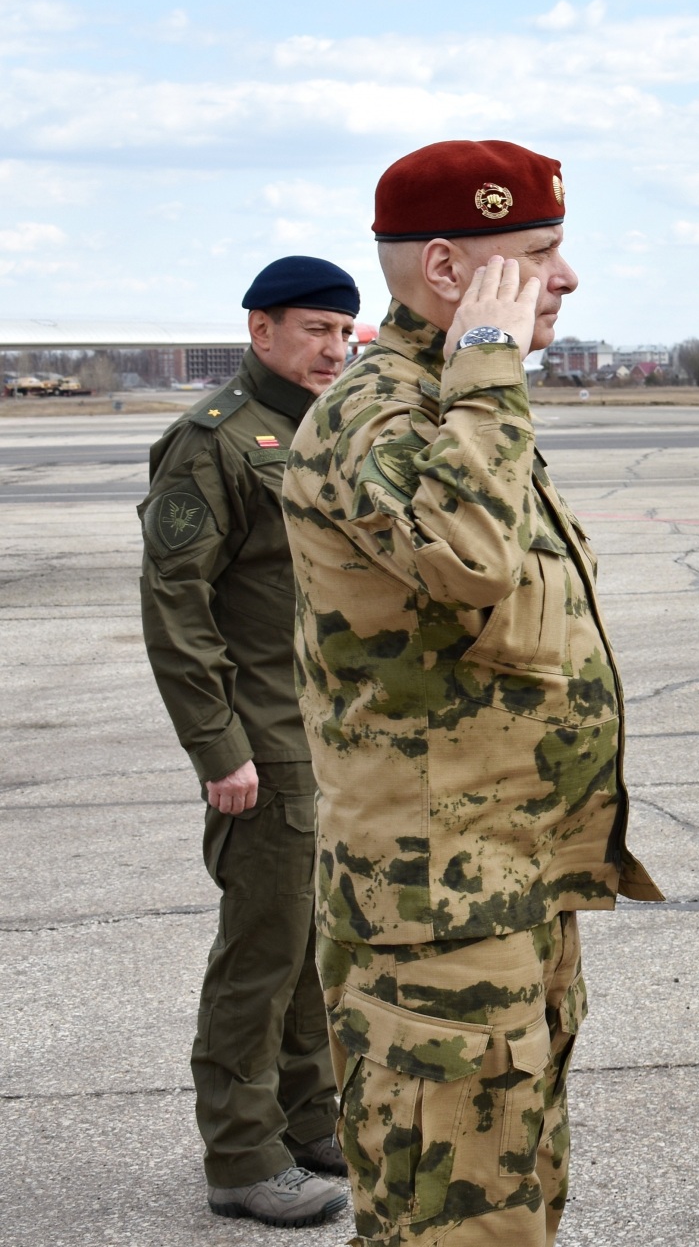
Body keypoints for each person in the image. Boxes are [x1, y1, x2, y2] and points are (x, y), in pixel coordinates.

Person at [282, 139, 662, 1247]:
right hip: (433, 907)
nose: (566, 278)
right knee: (451, 1221)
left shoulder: (450, 402)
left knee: (507, 1195)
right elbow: (469, 560)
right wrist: (490, 361)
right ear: (448, 271)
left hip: (503, 880)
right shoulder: (382, 414)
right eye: (539, 254)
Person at [138, 256, 361, 1228]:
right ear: (261, 331)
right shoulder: (212, 443)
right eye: (316, 329)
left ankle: (309, 1119)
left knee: (314, 943)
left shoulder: (324, 433)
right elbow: (175, 606)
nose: (334, 349)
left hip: (327, 738)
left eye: (344, 334)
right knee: (261, 952)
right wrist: (217, 747)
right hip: (263, 747)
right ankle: (239, 1153)